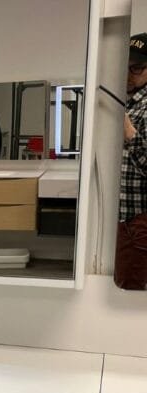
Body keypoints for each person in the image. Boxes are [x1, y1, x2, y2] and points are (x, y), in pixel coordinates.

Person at [116, 33, 147, 289]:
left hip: (140, 219)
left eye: (136, 68)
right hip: (127, 218)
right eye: (126, 66)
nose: (128, 74)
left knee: (131, 292)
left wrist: (127, 128)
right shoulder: (130, 102)